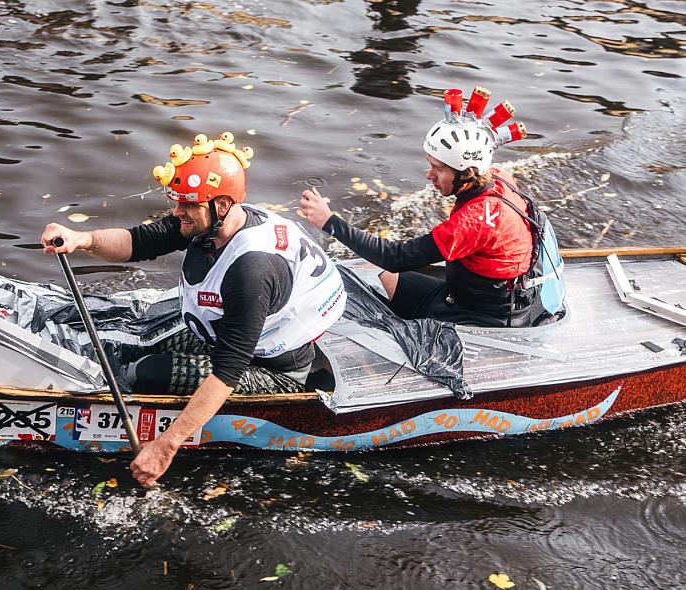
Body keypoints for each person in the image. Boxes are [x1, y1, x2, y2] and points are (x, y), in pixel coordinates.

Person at [42, 131, 346, 487]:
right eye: (177, 202)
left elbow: (228, 372)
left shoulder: (251, 271)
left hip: (275, 370)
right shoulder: (210, 221)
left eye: (188, 205)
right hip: (227, 336)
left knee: (147, 372)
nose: (177, 212)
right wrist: (82, 240)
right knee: (129, 344)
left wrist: (165, 448)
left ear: (222, 206)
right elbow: (140, 241)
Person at [300, 86, 566, 328]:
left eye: (438, 168)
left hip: (482, 313)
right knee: (384, 276)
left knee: (388, 301)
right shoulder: (498, 179)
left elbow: (396, 257)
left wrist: (329, 222)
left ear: (467, 172)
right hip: (474, 291)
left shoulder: (475, 222)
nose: (429, 176)